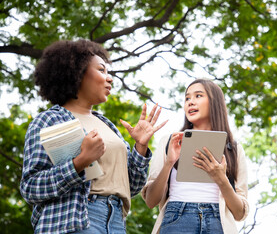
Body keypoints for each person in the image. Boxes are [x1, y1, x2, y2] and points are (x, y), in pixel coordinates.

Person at [20, 39, 167, 234]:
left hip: (116, 221)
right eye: (101, 70)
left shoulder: (108, 126)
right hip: (74, 220)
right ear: (77, 73)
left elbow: (130, 187)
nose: (110, 78)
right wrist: (79, 162)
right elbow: (31, 187)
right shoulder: (49, 120)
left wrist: (140, 147)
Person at [142, 78, 249, 234]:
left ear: (215, 102)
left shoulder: (234, 149)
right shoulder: (170, 142)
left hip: (218, 223)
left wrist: (221, 179)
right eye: (187, 98)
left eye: (198, 96)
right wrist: (169, 163)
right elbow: (151, 201)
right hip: (177, 219)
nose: (190, 102)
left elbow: (240, 214)